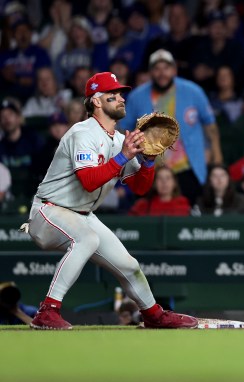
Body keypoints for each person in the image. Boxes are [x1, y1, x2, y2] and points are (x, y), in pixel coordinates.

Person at [23, 72, 197, 329]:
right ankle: (47, 311)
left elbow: (139, 188)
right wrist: (124, 156)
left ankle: (153, 315)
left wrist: (147, 163)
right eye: (112, 96)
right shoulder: (82, 133)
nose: (120, 99)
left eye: (120, 95)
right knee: (87, 238)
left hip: (81, 215)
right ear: (95, 101)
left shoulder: (118, 141)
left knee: (129, 265)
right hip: (48, 212)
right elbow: (89, 180)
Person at [121, 49, 223, 205]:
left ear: (174, 70)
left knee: (189, 214)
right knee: (150, 215)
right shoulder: (137, 96)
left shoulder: (193, 91)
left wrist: (217, 157)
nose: (162, 73)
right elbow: (123, 129)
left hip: (188, 167)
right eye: (157, 69)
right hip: (150, 168)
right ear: (150, 72)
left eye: (166, 68)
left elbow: (210, 125)